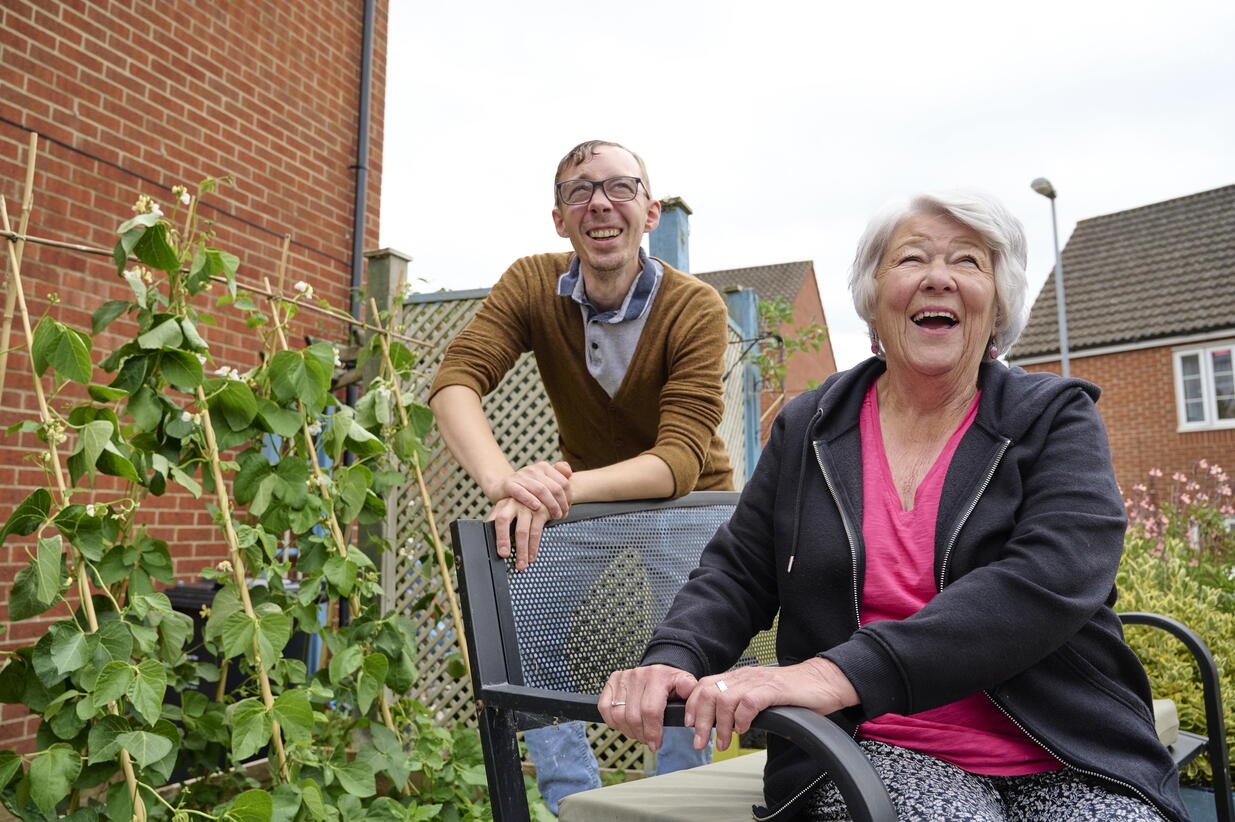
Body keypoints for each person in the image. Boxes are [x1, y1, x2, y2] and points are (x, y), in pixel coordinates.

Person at [600, 190, 1188, 822]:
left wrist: (833, 674)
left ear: (998, 304)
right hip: (873, 744)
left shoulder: (1053, 418)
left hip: (1062, 747)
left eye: (968, 261)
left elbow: (1052, 577)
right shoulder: (810, 426)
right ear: (874, 298)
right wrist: (674, 654)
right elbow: (740, 569)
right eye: (911, 259)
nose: (938, 278)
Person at [428, 140, 734, 815]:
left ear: (649, 212)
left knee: (682, 657)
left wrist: (556, 490)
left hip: (687, 503)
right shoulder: (533, 284)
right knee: (524, 634)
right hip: (588, 505)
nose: (599, 201)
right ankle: (576, 804)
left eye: (619, 187)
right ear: (558, 219)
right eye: (578, 190)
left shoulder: (694, 307)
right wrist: (506, 483)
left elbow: (677, 459)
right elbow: (455, 384)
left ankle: (682, 804)